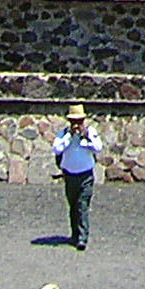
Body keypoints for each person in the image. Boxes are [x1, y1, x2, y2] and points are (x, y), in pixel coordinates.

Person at [53, 105, 101, 250]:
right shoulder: (63, 134)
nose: (76, 125)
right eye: (73, 121)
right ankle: (75, 234)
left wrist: (85, 137)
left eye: (79, 121)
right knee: (73, 206)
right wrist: (69, 137)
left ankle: (82, 237)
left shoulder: (90, 132)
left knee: (82, 205)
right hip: (69, 175)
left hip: (85, 175)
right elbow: (56, 148)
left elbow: (98, 148)